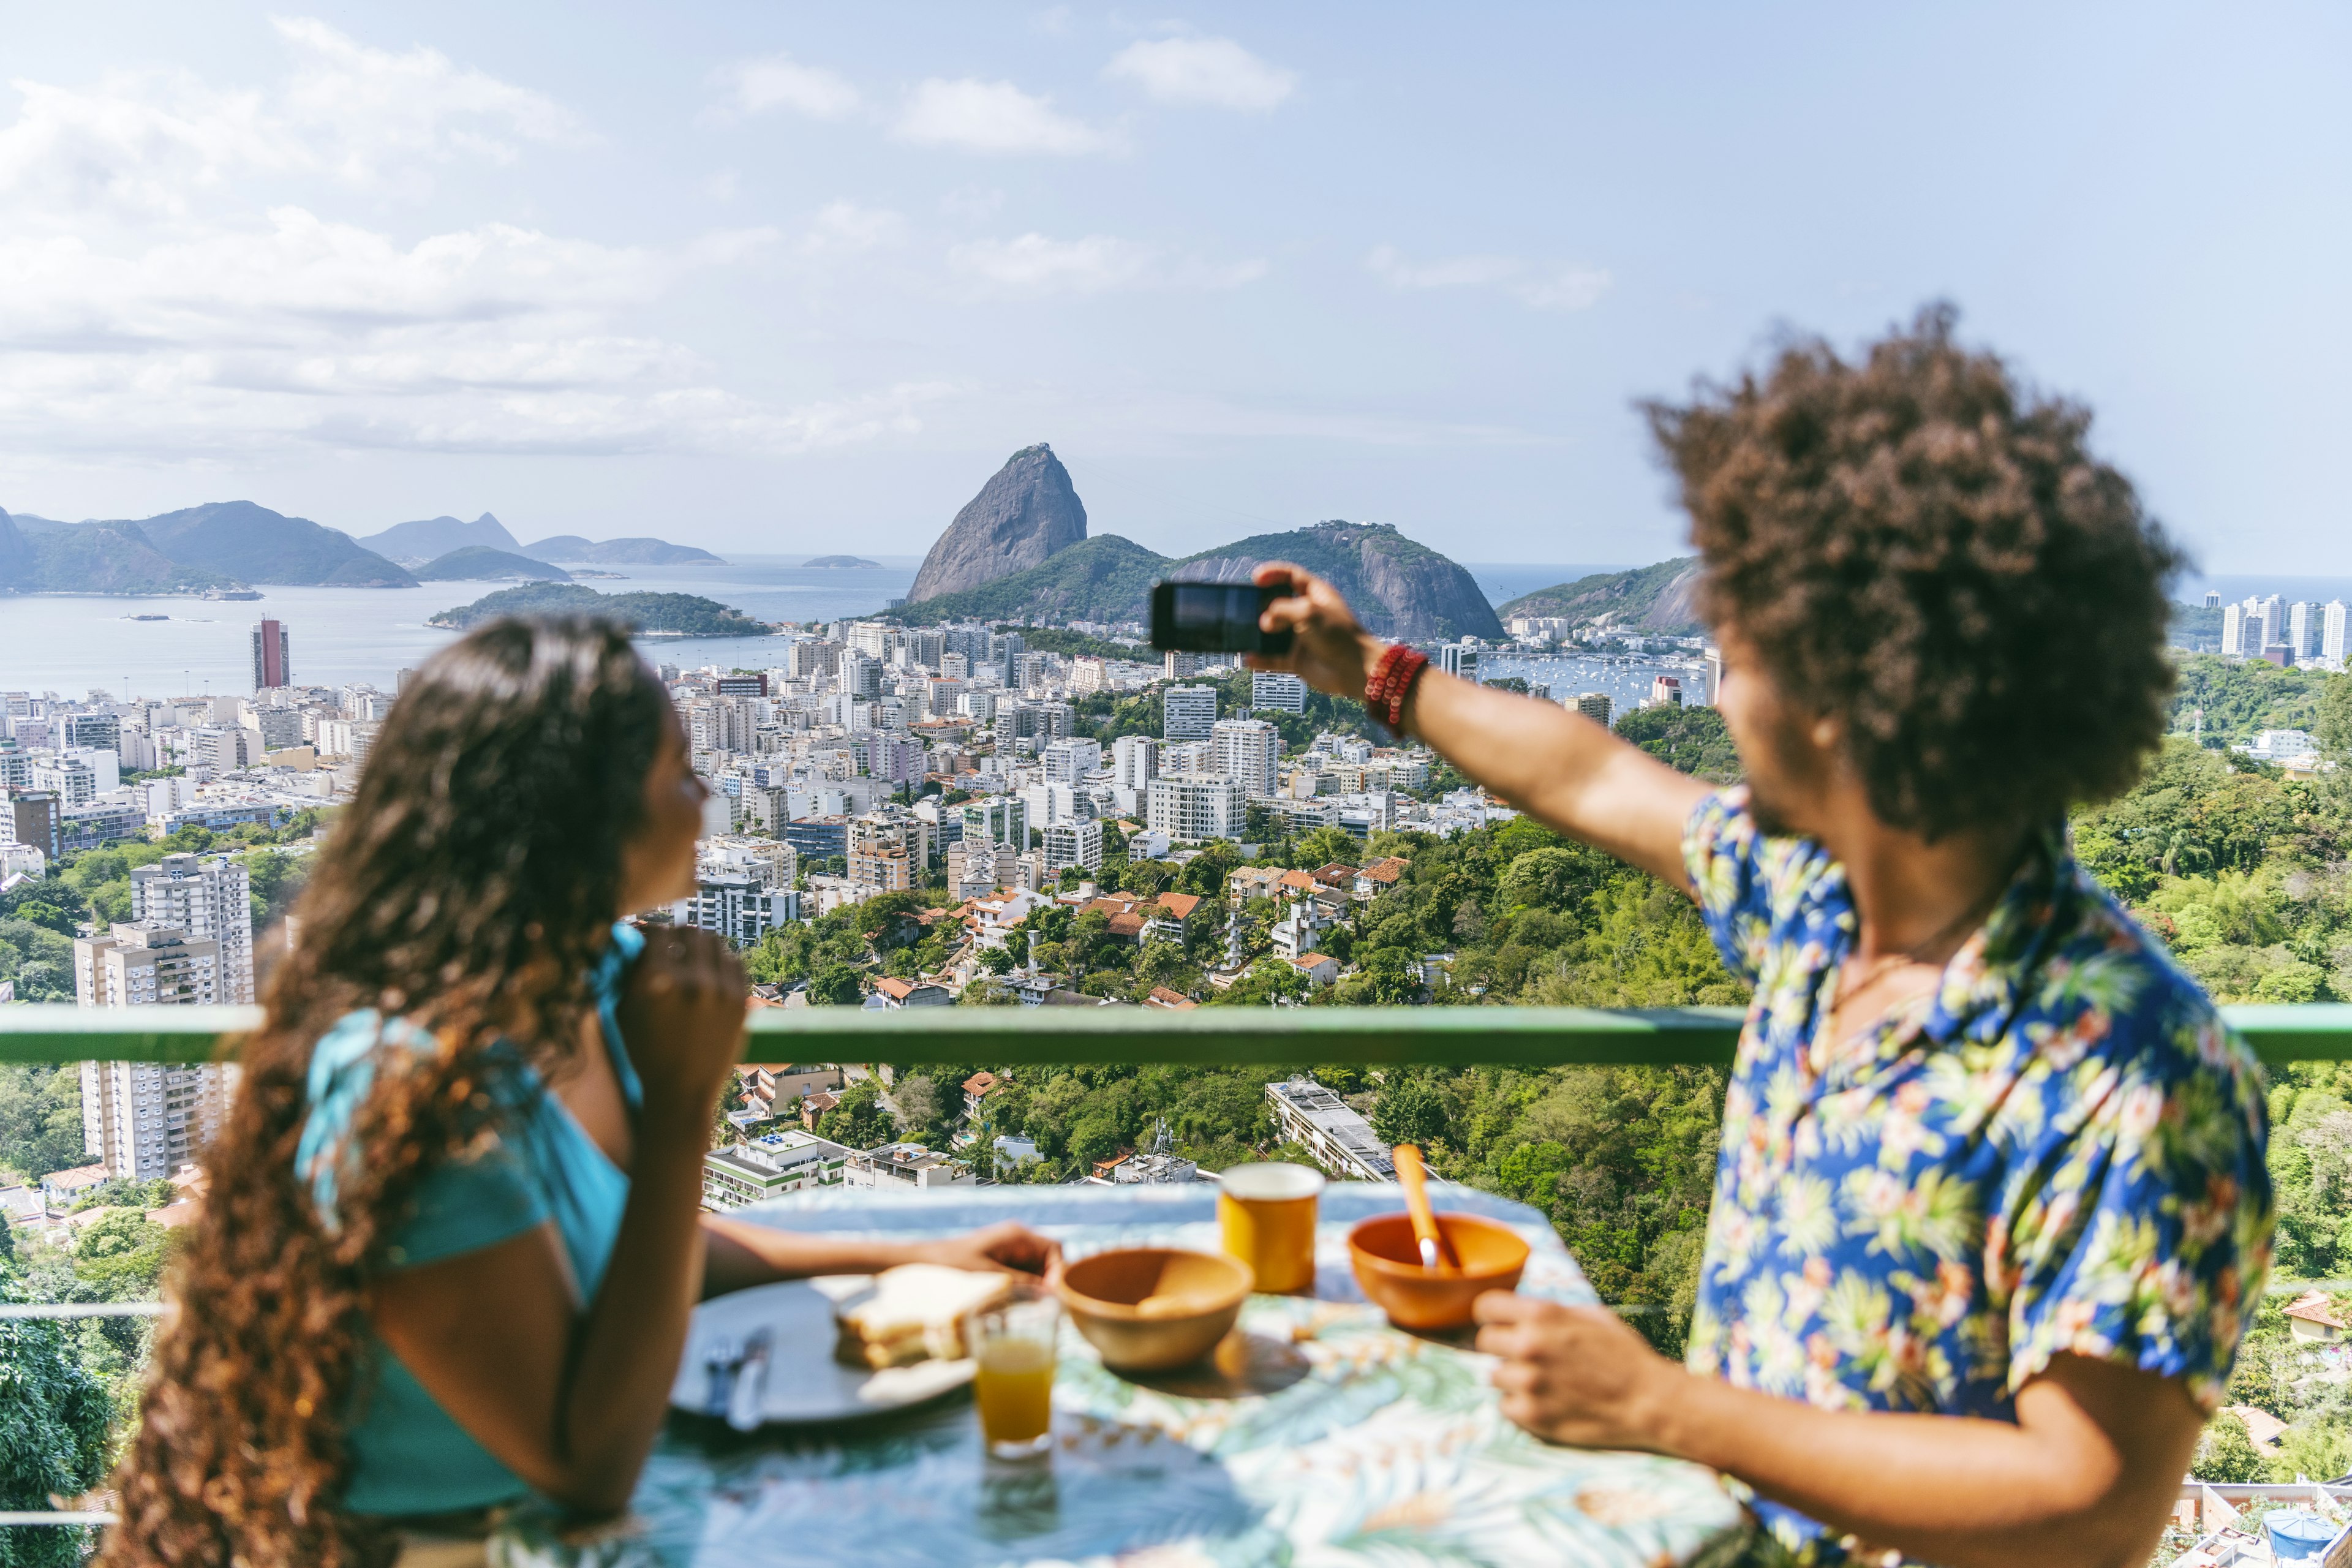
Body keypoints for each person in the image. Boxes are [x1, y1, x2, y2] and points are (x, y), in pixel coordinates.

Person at [1251, 307, 2272, 1568]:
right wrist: (1370, 670)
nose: (1715, 669)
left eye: (1738, 640)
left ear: (1846, 697)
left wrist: (1667, 1407)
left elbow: (2092, 1502)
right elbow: (1591, 779)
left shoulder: (2136, 1071)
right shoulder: (1820, 900)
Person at [101, 619, 1054, 1567]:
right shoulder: (404, 1087)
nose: (707, 796)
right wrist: (686, 1108)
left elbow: (643, 1243)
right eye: (681, 772)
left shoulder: (597, 978)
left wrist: (920, 1257)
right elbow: (585, 1465)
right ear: (582, 820)